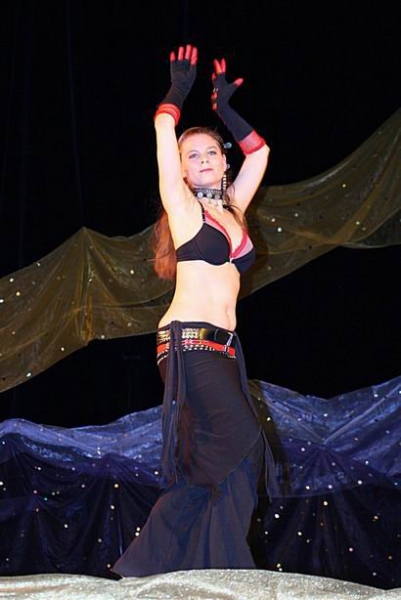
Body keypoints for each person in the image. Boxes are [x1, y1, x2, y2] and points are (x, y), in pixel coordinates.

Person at [112, 44, 278, 578]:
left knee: (202, 472)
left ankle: (145, 571)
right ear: (182, 172)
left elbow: (260, 154)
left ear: (224, 162)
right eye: (192, 156)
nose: (203, 159)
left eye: (211, 152)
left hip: (222, 352)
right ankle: (226, 571)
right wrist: (177, 93)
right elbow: (164, 131)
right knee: (245, 446)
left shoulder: (234, 209)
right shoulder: (184, 211)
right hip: (189, 345)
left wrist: (225, 109)